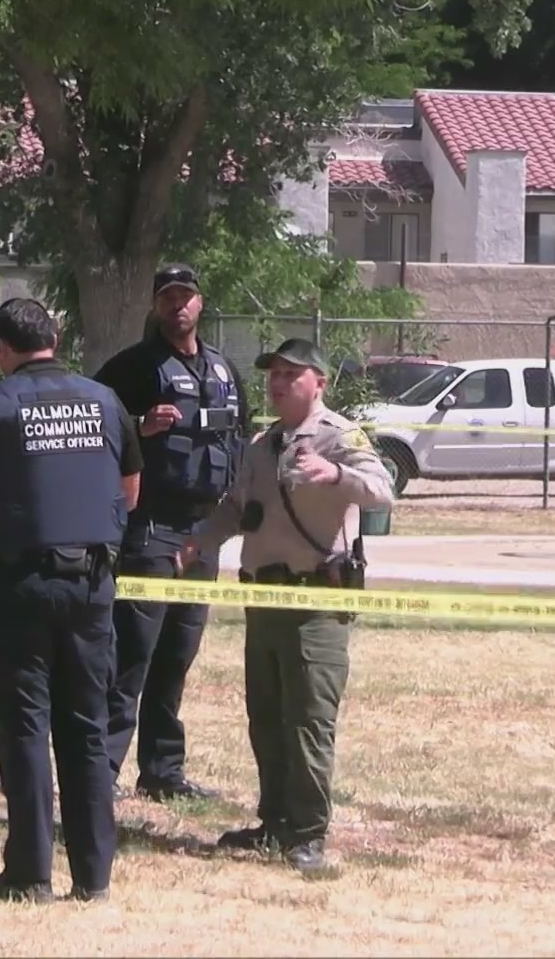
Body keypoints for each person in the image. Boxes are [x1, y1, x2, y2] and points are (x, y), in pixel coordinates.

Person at [0, 298, 144, 903]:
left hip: (15, 587)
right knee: (87, 730)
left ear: (1, 350)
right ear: (56, 338)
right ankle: (93, 877)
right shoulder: (105, 402)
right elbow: (129, 492)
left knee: (24, 729)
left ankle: (29, 872)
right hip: (92, 584)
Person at [180, 338, 393, 876]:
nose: (277, 383)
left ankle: (308, 835)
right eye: (273, 374)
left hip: (315, 600)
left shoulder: (340, 435)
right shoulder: (263, 442)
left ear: (319, 382)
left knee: (308, 721)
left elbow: (382, 489)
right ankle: (273, 824)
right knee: (267, 719)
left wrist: (335, 475)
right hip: (264, 598)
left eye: (290, 374)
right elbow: (237, 510)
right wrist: (199, 540)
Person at [90, 263, 248, 801]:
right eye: (168, 297)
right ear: (155, 306)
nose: (178, 305)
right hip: (150, 528)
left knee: (178, 654)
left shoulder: (224, 369)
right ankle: (101, 771)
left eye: (186, 296)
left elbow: (240, 438)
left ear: (201, 303)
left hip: (202, 531)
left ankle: (162, 770)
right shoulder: (132, 368)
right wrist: (139, 426)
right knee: (132, 653)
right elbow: (93, 432)